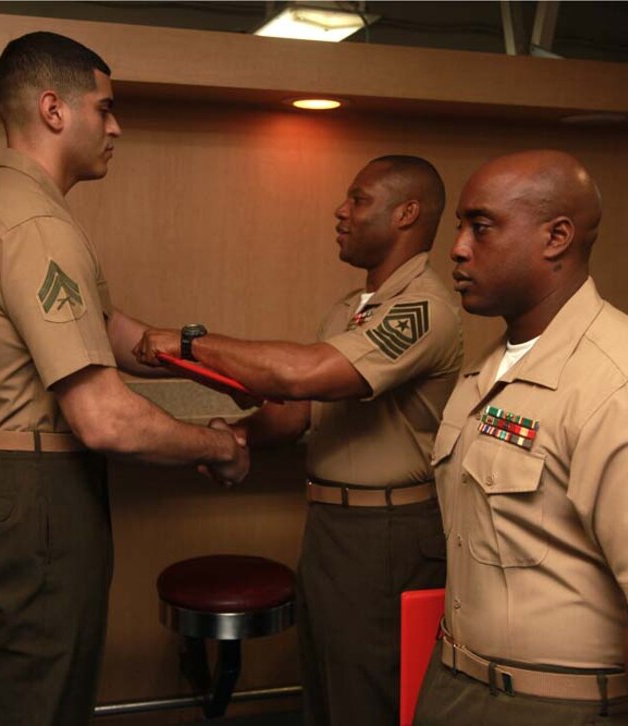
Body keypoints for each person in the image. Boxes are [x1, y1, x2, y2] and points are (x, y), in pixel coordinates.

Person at [0, 32, 248, 725]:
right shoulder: (37, 227)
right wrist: (218, 446)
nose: (117, 126)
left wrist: (222, 364)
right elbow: (105, 419)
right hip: (39, 493)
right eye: (104, 107)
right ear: (53, 109)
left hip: (7, 482)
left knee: (27, 698)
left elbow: (114, 333)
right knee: (45, 705)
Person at [134, 155, 463, 725]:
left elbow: (303, 375)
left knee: (368, 698)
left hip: (386, 535)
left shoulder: (423, 308)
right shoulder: (351, 310)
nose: (341, 211)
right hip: (334, 527)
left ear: (407, 213)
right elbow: (295, 410)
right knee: (326, 693)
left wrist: (190, 344)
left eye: (359, 199)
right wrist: (236, 437)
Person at [413, 150, 628, 725]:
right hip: (457, 684)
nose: (456, 247)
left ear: (556, 237)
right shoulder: (492, 367)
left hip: (557, 708)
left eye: (480, 227)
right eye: (460, 226)